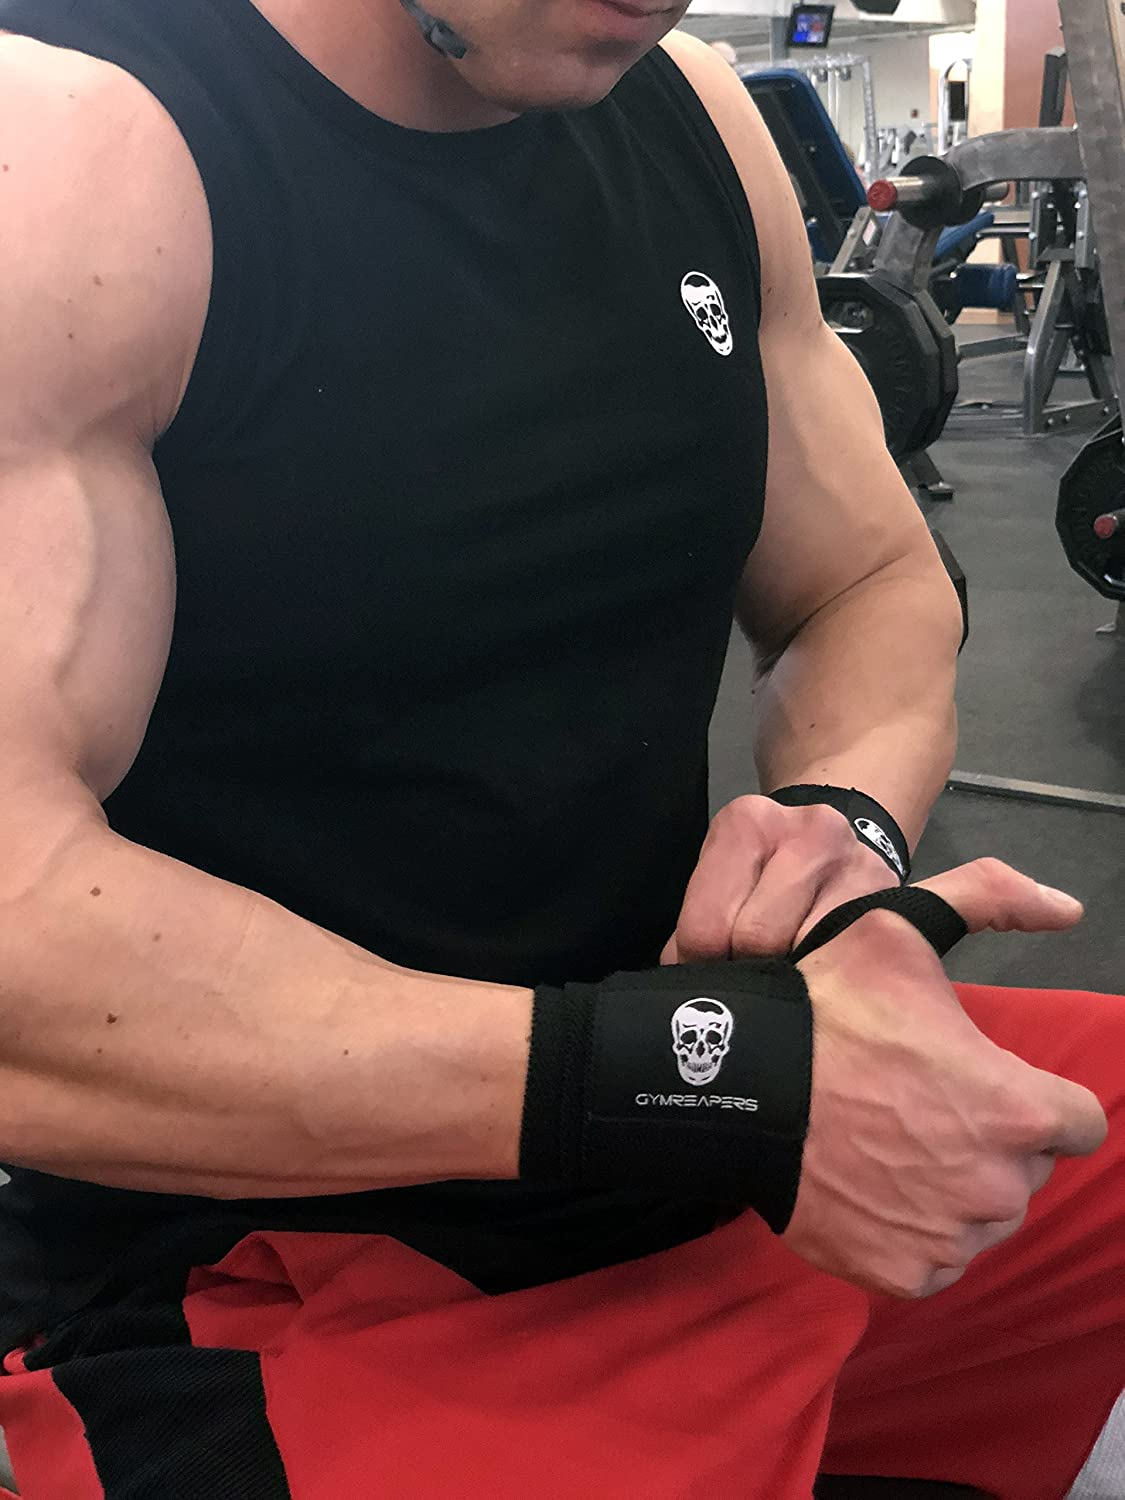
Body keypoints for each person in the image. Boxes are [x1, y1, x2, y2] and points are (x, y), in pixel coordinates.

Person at [0, 1, 1119, 1495]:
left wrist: (841, 814)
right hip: (286, 1255)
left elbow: (869, 579)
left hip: (718, 1132)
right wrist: (696, 1083)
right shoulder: (73, 142)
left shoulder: (695, 118)